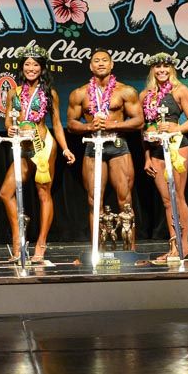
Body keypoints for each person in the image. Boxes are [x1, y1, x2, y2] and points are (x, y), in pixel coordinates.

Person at [0, 45, 76, 262]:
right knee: (5, 192)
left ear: (41, 69)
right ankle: (18, 240)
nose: (31, 68)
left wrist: (65, 148)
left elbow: (57, 124)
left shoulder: (49, 93)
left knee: (43, 193)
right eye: (27, 64)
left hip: (43, 146)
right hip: (22, 148)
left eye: (35, 65)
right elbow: (8, 120)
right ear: (21, 68)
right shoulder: (13, 93)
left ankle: (41, 245)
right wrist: (9, 128)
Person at [66, 49, 143, 243]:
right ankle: (97, 251)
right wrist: (88, 126)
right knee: (94, 200)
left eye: (104, 60)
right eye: (96, 61)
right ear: (91, 66)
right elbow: (71, 123)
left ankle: (130, 250)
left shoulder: (125, 91)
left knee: (125, 200)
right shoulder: (79, 93)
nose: (100, 63)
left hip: (118, 144)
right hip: (93, 146)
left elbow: (139, 121)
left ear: (111, 64)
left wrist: (113, 125)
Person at [139, 52, 188, 259]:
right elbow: (143, 128)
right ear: (152, 69)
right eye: (158, 66)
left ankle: (184, 245)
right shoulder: (145, 95)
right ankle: (173, 246)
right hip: (155, 149)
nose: (162, 70)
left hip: (176, 145)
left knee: (177, 196)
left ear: (172, 68)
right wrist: (147, 157)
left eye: (166, 66)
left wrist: (175, 129)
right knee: (166, 200)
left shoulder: (180, 90)